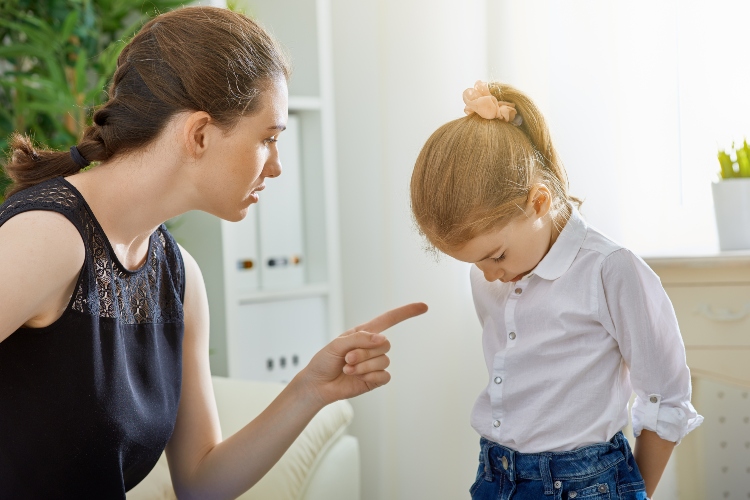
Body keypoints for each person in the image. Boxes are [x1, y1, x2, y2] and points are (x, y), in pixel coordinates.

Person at [0, 6, 427, 498]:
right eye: (268, 139)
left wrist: (309, 389)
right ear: (199, 134)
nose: (278, 167)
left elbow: (201, 483)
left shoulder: (180, 279)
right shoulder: (51, 237)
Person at [410, 81, 701, 499]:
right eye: (474, 263)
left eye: (495, 256)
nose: (489, 275)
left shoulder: (609, 270)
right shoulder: (490, 278)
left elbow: (666, 397)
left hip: (585, 483)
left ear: (539, 203)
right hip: (496, 473)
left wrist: (634, 491)